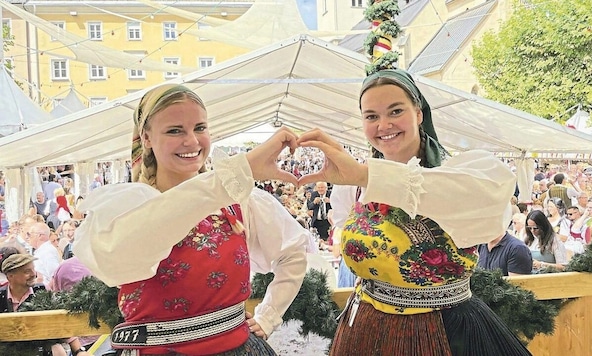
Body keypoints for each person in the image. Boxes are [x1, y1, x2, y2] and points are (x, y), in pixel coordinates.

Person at [297, 69, 530, 355]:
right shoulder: (354, 187)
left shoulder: (461, 173)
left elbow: (489, 206)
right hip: (366, 330)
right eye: (371, 116)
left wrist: (367, 176)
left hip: (446, 331)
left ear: (419, 113)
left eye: (395, 111)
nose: (384, 125)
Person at [73, 84, 308, 355]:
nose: (192, 141)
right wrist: (230, 177)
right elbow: (119, 261)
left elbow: (292, 252)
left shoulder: (239, 201)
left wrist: (268, 316)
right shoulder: (128, 206)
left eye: (200, 128)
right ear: (146, 137)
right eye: (175, 130)